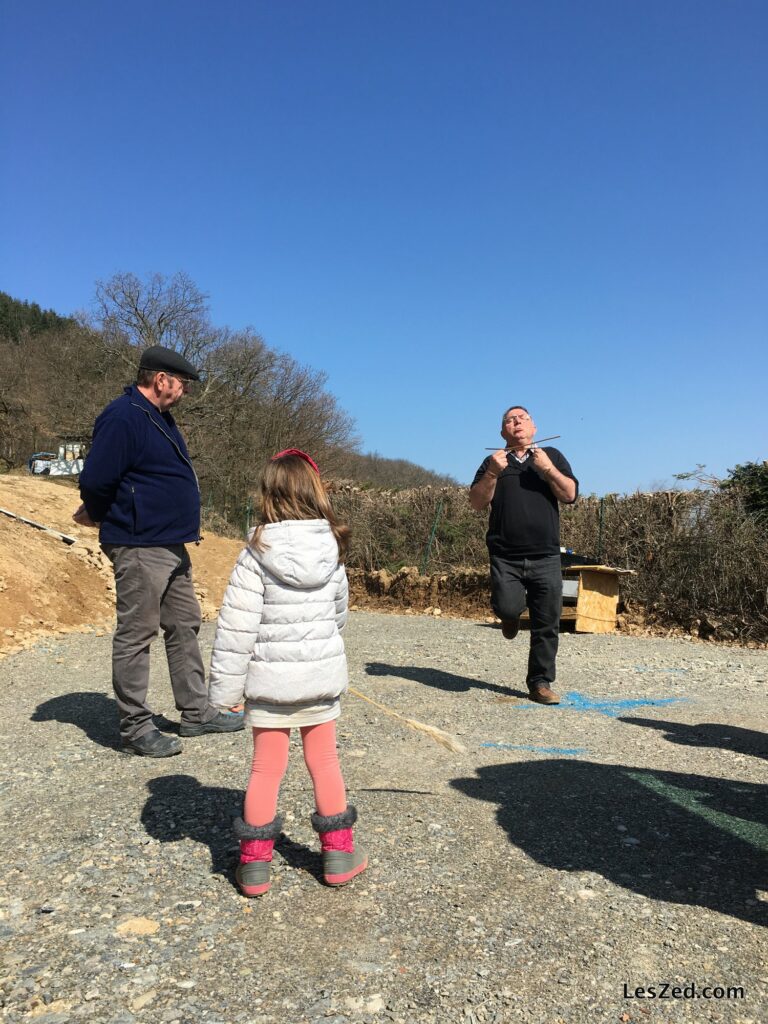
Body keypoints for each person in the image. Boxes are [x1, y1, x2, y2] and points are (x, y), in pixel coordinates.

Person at [207, 449, 367, 896]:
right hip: (318, 683)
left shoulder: (256, 553)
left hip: (270, 687)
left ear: (269, 495)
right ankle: (337, 855)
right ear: (316, 493)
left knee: (265, 768)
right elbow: (338, 619)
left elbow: (236, 629)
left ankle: (255, 866)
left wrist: (225, 693)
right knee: (325, 762)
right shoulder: (333, 552)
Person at [73, 345, 244, 756]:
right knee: (137, 633)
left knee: (184, 623)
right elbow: (96, 479)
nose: (184, 391)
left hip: (169, 542)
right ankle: (135, 728)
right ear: (160, 379)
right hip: (138, 542)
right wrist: (97, 513)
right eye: (182, 384)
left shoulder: (158, 419)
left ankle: (196, 712)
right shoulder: (123, 416)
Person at [469, 406, 578, 705]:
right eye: (509, 420)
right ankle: (510, 617)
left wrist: (547, 470)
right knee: (506, 606)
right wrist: (492, 472)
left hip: (545, 555)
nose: (516, 422)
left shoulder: (551, 456)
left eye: (522, 418)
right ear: (503, 432)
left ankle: (540, 683)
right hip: (506, 555)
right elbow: (477, 503)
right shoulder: (493, 462)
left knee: (547, 622)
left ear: (534, 428)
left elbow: (569, 495)